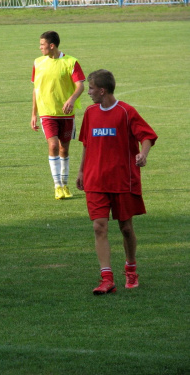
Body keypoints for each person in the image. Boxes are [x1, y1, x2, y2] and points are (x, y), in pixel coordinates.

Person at [76, 69, 158, 295]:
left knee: (126, 228)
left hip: (122, 180)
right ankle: (106, 279)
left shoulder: (126, 111)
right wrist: (81, 171)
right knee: (98, 227)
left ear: (102, 90)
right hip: (95, 180)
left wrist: (143, 154)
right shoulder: (91, 113)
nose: (89, 92)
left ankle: (131, 269)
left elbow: (147, 136)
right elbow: (86, 144)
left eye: (91, 88)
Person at [31, 31, 85, 200]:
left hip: (66, 114)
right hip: (47, 112)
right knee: (53, 145)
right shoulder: (38, 63)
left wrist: (71, 99)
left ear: (51, 45)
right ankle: (57, 186)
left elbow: (80, 86)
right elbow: (36, 89)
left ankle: (65, 184)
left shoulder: (71, 62)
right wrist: (33, 114)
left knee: (64, 148)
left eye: (42, 45)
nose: (40, 48)